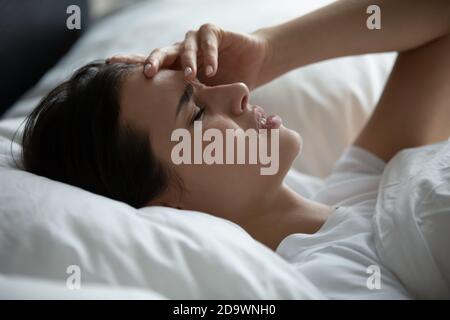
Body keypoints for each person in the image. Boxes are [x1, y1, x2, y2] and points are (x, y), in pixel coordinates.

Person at [22, 0, 449, 298]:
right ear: (166, 206)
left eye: (206, 86)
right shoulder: (337, 278)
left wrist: (268, 51)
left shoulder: (358, 189)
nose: (241, 90)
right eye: (197, 115)